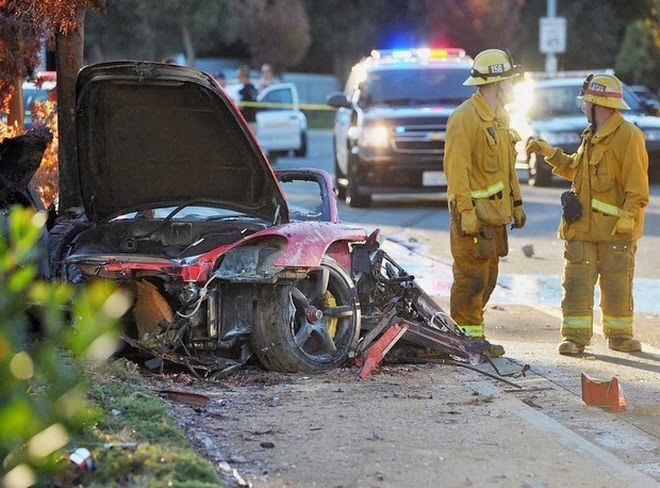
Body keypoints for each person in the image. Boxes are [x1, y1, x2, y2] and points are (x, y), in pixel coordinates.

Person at [527, 73, 649, 355]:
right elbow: (576, 171)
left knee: (617, 284)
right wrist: (550, 154)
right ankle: (575, 338)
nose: (582, 106)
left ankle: (619, 335)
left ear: (599, 106)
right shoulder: (591, 136)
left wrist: (629, 216)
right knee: (576, 284)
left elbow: (637, 187)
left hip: (614, 231)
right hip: (582, 228)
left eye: (586, 102)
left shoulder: (629, 137)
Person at [444, 49, 526, 358]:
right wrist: (465, 211)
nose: (512, 87)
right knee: (471, 280)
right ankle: (466, 343)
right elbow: (457, 170)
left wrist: (516, 203)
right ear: (496, 83)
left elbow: (507, 168)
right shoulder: (465, 118)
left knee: (488, 280)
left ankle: (471, 338)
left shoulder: (500, 119)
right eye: (509, 82)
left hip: (494, 219)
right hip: (473, 219)